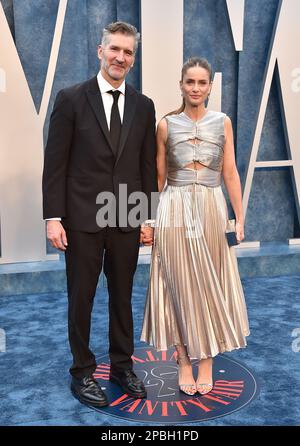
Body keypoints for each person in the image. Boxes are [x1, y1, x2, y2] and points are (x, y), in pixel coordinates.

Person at [43, 22, 157, 407]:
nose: (120, 57)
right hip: (81, 220)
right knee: (82, 297)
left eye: (128, 52)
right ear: (100, 50)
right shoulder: (71, 98)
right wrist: (53, 217)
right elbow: (55, 163)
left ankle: (122, 367)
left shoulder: (144, 105)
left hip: (126, 216)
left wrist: (147, 218)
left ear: (133, 59)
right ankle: (82, 371)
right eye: (115, 49)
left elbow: (145, 167)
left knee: (122, 296)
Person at [141, 57, 250, 396]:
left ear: (210, 87)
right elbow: (158, 177)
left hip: (211, 206)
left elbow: (230, 171)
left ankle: (207, 359)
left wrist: (240, 217)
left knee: (211, 279)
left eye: (202, 83)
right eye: (190, 82)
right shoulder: (166, 124)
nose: (196, 88)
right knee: (177, 282)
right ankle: (184, 359)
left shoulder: (223, 122)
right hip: (174, 206)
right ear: (181, 84)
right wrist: (148, 219)